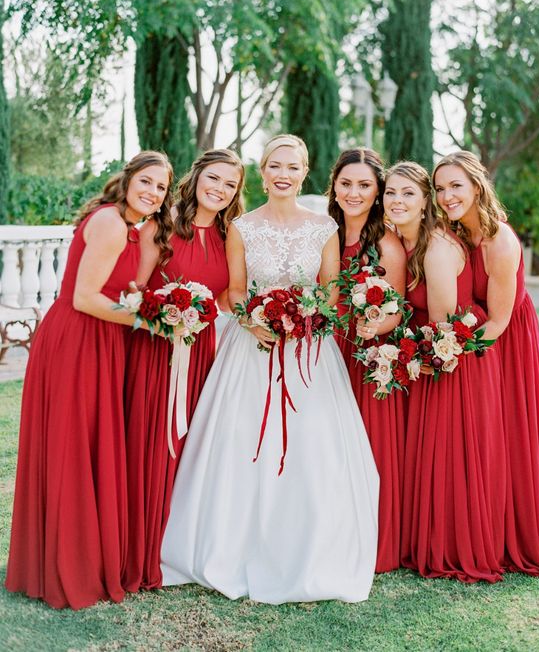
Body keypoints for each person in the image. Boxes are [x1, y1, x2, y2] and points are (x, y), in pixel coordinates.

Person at [160, 134, 379, 603]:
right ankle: (231, 545)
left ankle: (311, 550)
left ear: (305, 173)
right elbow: (236, 289)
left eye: (293, 167)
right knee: (239, 443)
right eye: (275, 166)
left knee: (314, 446)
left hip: (309, 354)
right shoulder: (241, 226)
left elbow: (330, 290)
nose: (283, 174)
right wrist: (251, 318)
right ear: (263, 173)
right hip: (250, 348)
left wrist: (303, 318)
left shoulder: (323, 228)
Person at [5, 152, 174, 609]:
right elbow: (83, 298)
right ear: (128, 180)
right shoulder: (111, 223)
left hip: (100, 340)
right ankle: (66, 566)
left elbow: (112, 286)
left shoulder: (131, 228)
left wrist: (153, 301)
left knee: (81, 445)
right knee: (72, 447)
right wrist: (146, 322)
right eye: (146, 181)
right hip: (79, 339)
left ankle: (65, 556)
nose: (153, 192)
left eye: (161, 187)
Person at [433, 150, 539, 577]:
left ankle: (513, 533)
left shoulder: (499, 240)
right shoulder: (456, 233)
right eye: (440, 188)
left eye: (456, 185)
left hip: (503, 340)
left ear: (477, 185)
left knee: (508, 431)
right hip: (478, 337)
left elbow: (501, 320)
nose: (447, 195)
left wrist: (451, 352)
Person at [123, 148, 245, 593]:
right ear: (196, 177)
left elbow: (232, 295)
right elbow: (134, 289)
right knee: (151, 442)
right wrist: (167, 315)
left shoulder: (232, 234)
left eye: (230, 184)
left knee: (192, 449)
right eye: (214, 178)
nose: (220, 189)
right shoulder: (163, 223)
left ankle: (177, 544)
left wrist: (266, 309)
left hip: (203, 356)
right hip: (155, 351)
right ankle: (139, 544)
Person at [384, 161, 506, 583]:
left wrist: (402, 357)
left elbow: (440, 325)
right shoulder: (406, 241)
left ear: (424, 204)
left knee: (451, 453)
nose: (397, 201)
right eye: (391, 194)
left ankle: (453, 544)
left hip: (453, 358)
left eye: (409, 194)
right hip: (438, 352)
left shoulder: (436, 248)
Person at [328, 147, 407, 573]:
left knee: (368, 449)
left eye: (364, 185)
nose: (353, 192)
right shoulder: (324, 231)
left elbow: (396, 309)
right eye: (346, 183)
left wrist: (374, 328)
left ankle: (373, 540)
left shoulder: (385, 243)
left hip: (364, 356)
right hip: (324, 353)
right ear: (334, 186)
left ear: (377, 192)